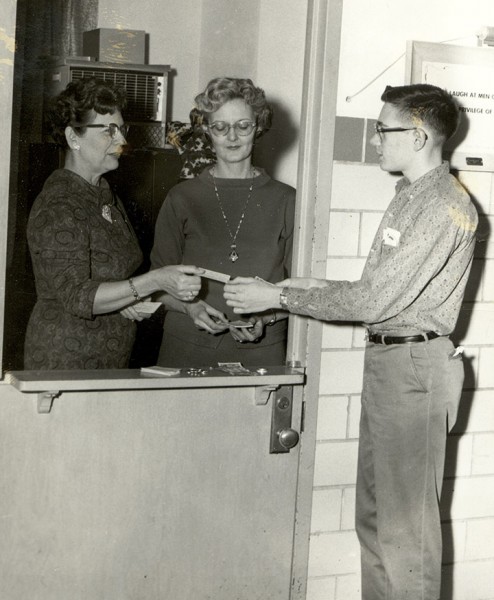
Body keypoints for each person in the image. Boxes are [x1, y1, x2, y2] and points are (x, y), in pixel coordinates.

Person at [223, 83, 478, 599]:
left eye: (384, 131)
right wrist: (301, 286)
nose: (376, 141)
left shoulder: (441, 205)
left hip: (414, 367)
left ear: (420, 135)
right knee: (377, 519)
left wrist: (278, 299)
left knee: (406, 536)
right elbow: (374, 293)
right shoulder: (410, 195)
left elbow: (373, 303)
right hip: (393, 362)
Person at [25, 78, 202, 370]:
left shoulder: (104, 195)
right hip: (66, 362)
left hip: (108, 357)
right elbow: (79, 296)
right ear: (73, 137)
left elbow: (113, 281)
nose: (122, 141)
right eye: (109, 130)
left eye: (122, 129)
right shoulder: (60, 204)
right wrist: (156, 280)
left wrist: (183, 305)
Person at [150, 77, 295, 367]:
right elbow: (156, 285)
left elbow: (299, 290)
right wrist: (190, 308)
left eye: (243, 126)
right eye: (220, 127)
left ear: (258, 128)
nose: (232, 137)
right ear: (207, 131)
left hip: (261, 350)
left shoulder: (286, 199)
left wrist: (266, 317)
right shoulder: (182, 197)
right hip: (187, 346)